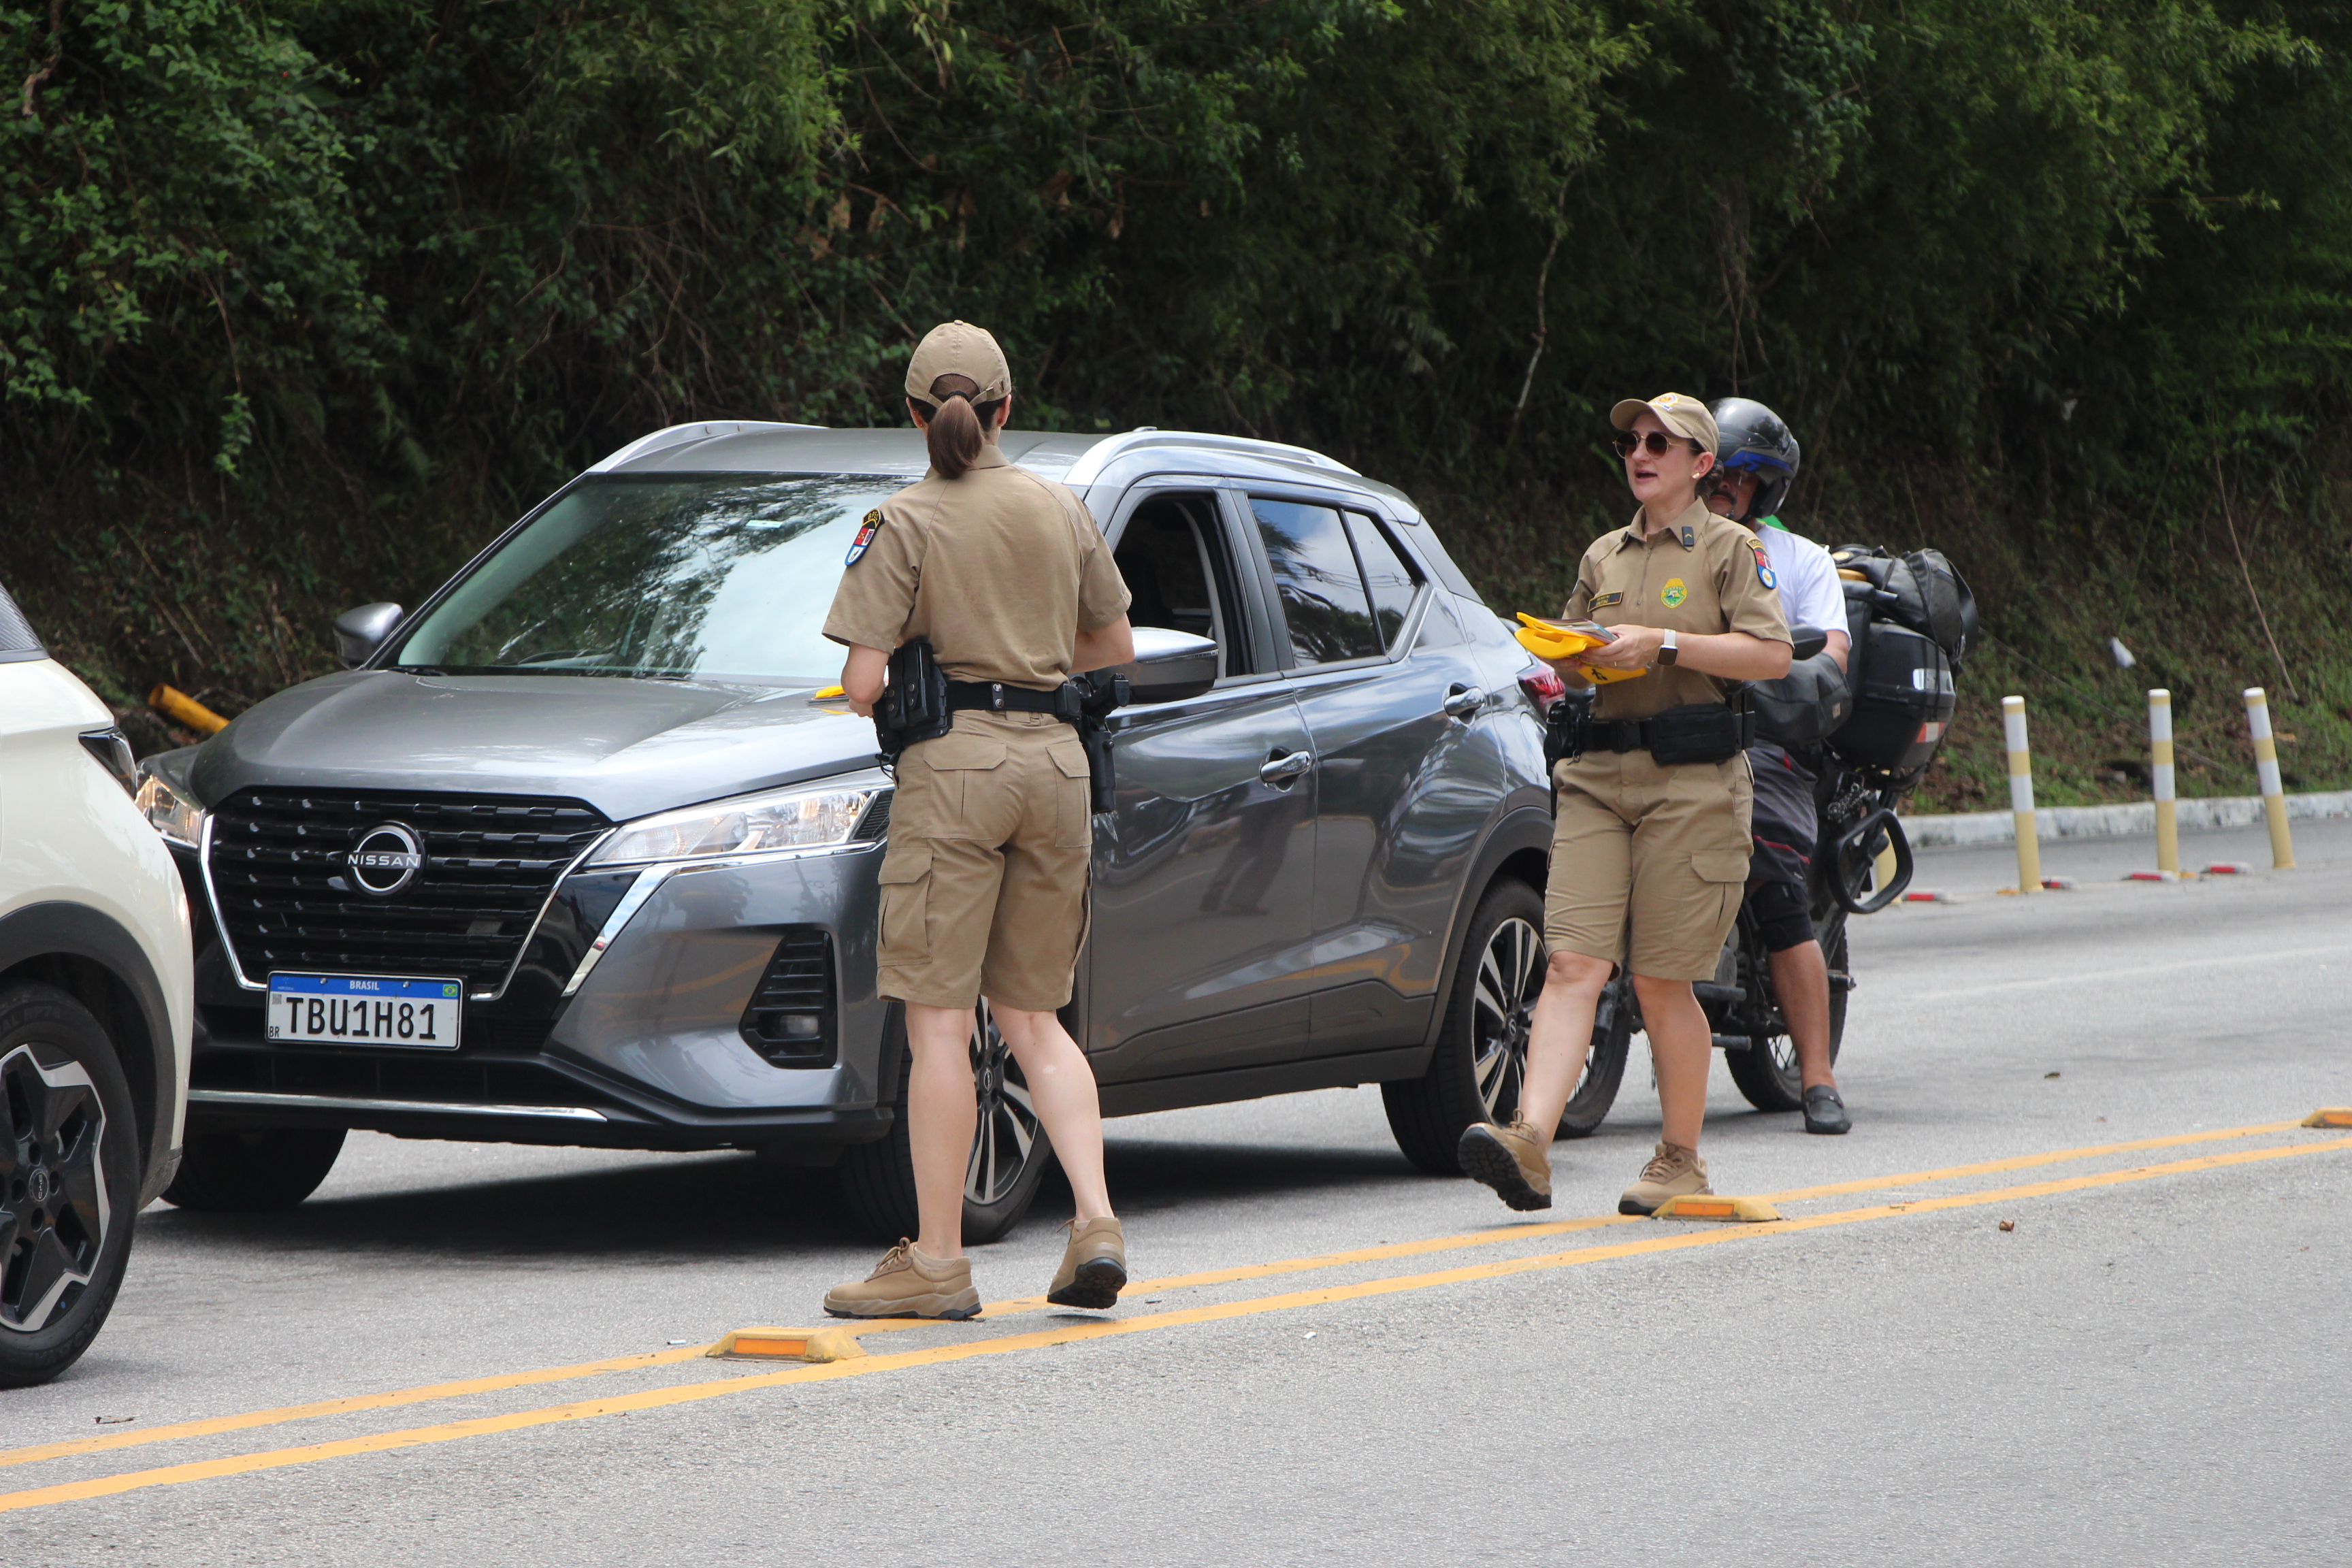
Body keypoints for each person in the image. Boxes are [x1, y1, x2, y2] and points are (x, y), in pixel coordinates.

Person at [819, 321, 1137, 1318]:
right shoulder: (1061, 507)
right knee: (1035, 1019)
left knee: (942, 1028)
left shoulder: (904, 520)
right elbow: (1113, 646)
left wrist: (918, 668)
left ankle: (939, 1263)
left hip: (954, 772)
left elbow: (861, 681)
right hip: (1055, 768)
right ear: (1006, 410)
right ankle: (1095, 1221)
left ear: (917, 416)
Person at [1458, 393, 1791, 1215]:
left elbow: (1772, 655)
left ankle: (1680, 1161)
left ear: (1701, 464)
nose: (1639, 453)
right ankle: (1529, 1141)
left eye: (1658, 443)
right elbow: (1577, 657)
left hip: (1694, 781)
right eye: (1631, 442)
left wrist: (1665, 644)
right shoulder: (1603, 554)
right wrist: (1568, 654)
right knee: (1572, 962)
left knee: (1661, 981)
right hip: (1599, 776)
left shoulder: (1732, 549)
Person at [1706, 397, 1853, 1135]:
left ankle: (1818, 1076)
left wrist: (1767, 679)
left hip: (1765, 745)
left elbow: (1832, 657)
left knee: (1772, 886)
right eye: (1714, 473)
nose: (1723, 487)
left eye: (1739, 477)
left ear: (1765, 488)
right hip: (1669, 738)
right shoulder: (1662, 548)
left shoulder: (1801, 561)